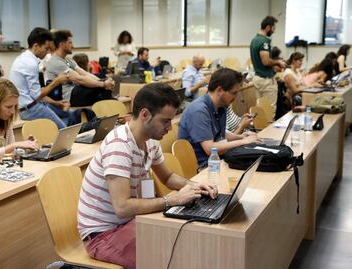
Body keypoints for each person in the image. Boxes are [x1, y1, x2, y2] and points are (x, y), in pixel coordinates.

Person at [78, 83, 217, 269]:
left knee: (185, 242)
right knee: (171, 258)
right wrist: (171, 200)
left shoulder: (149, 141)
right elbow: (122, 207)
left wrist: (195, 186)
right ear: (145, 115)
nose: (170, 127)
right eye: (165, 121)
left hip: (129, 222)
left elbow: (168, 177)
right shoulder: (119, 145)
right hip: (103, 235)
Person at [178, 68, 261, 168]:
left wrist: (241, 137)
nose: (236, 97)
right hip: (204, 167)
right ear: (220, 90)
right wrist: (243, 142)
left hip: (218, 160)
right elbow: (209, 149)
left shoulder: (221, 105)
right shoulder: (199, 110)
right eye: (234, 93)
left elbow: (218, 133)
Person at [10, 27, 76, 129]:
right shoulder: (30, 63)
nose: (48, 53)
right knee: (63, 130)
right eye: (46, 48)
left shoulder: (23, 58)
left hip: (30, 106)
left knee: (70, 115)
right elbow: (37, 96)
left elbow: (34, 93)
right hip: (31, 109)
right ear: (36, 46)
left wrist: (55, 103)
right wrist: (57, 81)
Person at [45, 30, 114, 106]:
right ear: (62, 45)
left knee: (102, 78)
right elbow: (79, 79)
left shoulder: (68, 59)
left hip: (77, 90)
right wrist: (103, 84)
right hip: (69, 96)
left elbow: (85, 73)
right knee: (100, 86)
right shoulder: (55, 62)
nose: (73, 46)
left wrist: (103, 81)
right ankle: (110, 102)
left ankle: (109, 106)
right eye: (70, 43)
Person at [250, 16, 286, 117]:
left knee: (260, 110)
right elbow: (265, 61)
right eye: (273, 28)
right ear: (268, 27)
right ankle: (268, 133)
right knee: (269, 111)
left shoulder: (254, 40)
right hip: (266, 80)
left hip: (257, 78)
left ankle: (260, 132)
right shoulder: (264, 41)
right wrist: (278, 63)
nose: (274, 31)